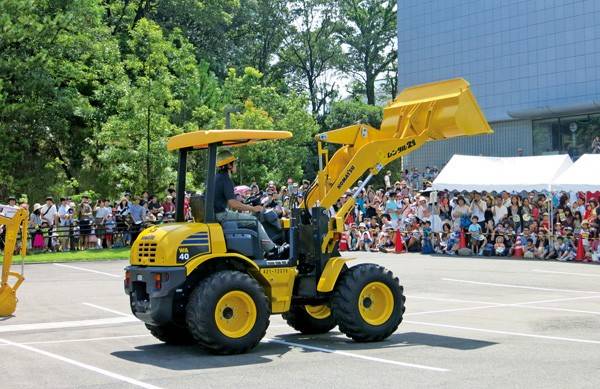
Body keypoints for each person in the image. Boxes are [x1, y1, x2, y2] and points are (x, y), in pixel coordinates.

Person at [213, 150, 287, 258]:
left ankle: (261, 250)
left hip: (218, 213)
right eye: (234, 163)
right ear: (228, 165)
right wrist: (253, 209)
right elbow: (233, 203)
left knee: (249, 219)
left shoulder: (216, 178)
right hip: (221, 215)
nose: (236, 165)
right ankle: (272, 250)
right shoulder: (225, 179)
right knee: (254, 221)